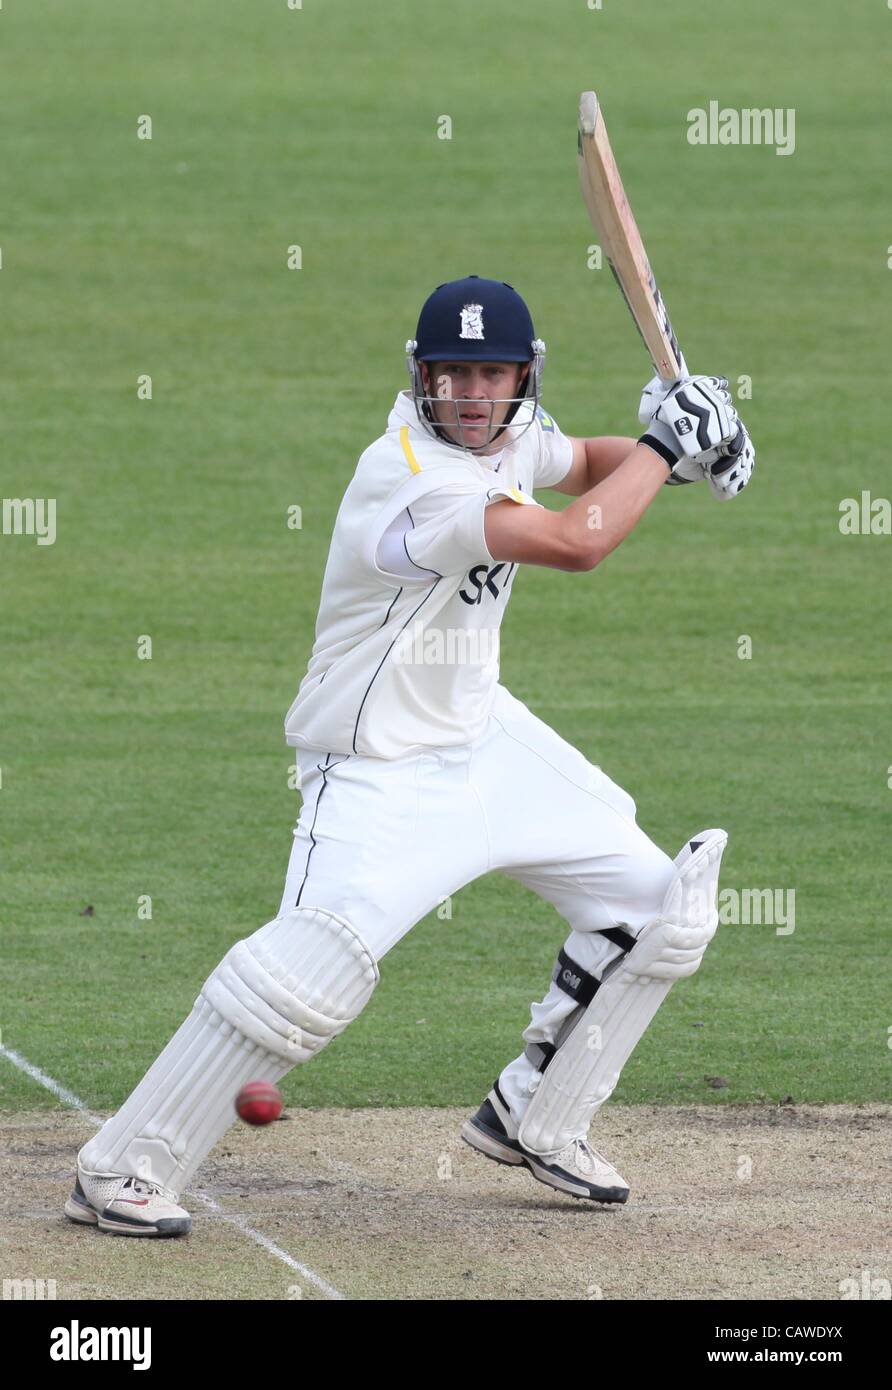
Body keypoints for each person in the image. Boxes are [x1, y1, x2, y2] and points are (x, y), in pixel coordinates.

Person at [64, 276, 754, 1236]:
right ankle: (122, 1169)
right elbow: (574, 538)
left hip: (484, 738)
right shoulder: (414, 479)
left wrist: (671, 457)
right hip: (375, 767)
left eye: (491, 374)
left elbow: (586, 460)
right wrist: (667, 444)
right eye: (453, 374)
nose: (472, 395)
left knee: (658, 910)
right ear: (421, 379)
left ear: (523, 377)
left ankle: (534, 1117)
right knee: (306, 978)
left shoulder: (511, 432)